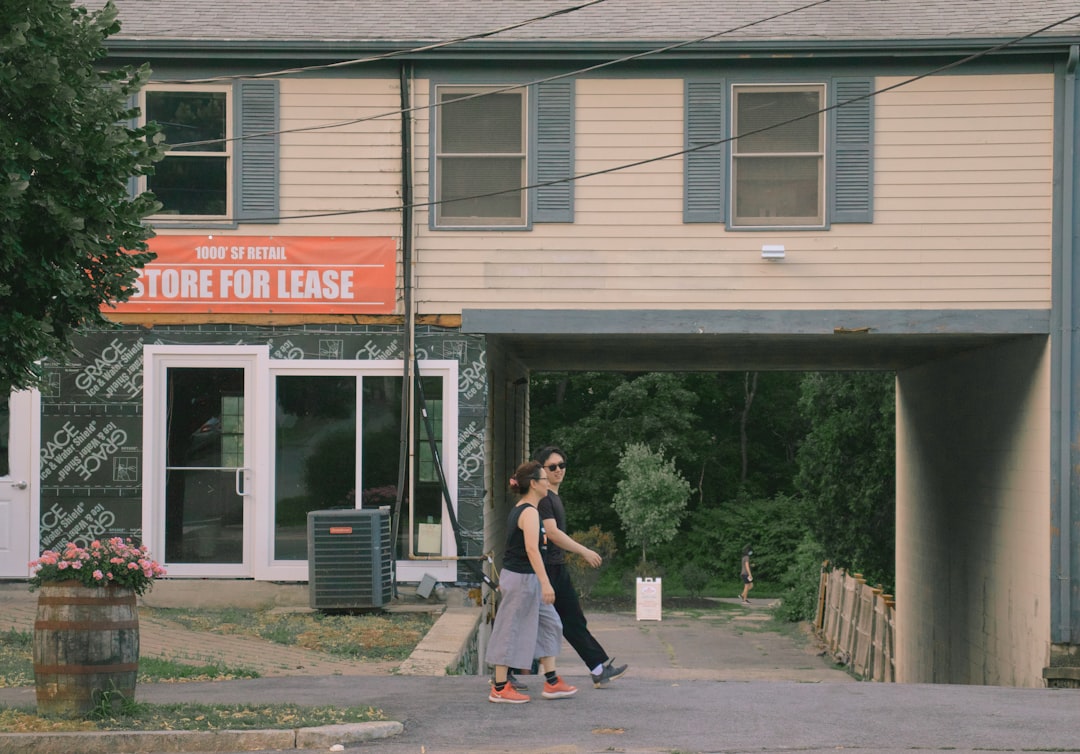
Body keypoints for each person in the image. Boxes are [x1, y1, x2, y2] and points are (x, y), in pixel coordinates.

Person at [530, 445, 628, 689]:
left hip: (556, 567)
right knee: (533, 622)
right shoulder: (544, 500)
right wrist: (584, 551)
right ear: (541, 470)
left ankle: (598, 668)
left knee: (571, 620)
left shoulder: (554, 498)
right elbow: (552, 533)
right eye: (552, 467)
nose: (558, 470)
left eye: (562, 465)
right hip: (547, 569)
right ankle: (506, 673)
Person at [486, 460, 578, 704]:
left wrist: (541, 583)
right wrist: (546, 583)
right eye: (544, 479)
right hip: (519, 579)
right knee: (509, 628)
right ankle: (500, 687)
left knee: (551, 623)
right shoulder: (528, 511)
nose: (548, 482)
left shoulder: (530, 509)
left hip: (531, 580)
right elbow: (531, 549)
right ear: (534, 484)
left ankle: (551, 681)